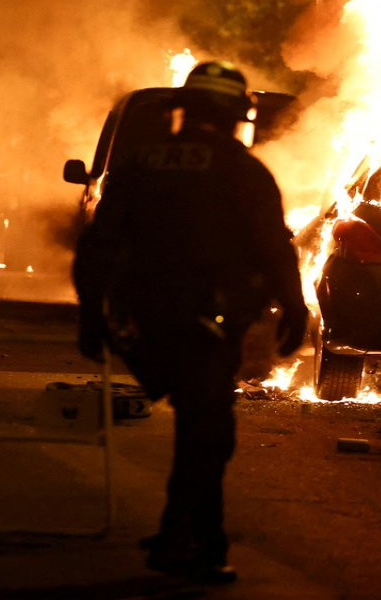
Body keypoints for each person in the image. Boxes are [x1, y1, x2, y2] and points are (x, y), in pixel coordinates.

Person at [73, 60, 307, 584]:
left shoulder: (138, 166)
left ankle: (180, 530)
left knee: (196, 425)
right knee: (206, 432)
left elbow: (98, 247)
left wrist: (93, 316)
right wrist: (294, 306)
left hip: (144, 320)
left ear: (182, 111)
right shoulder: (243, 170)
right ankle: (196, 544)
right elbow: (274, 249)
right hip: (206, 322)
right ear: (235, 116)